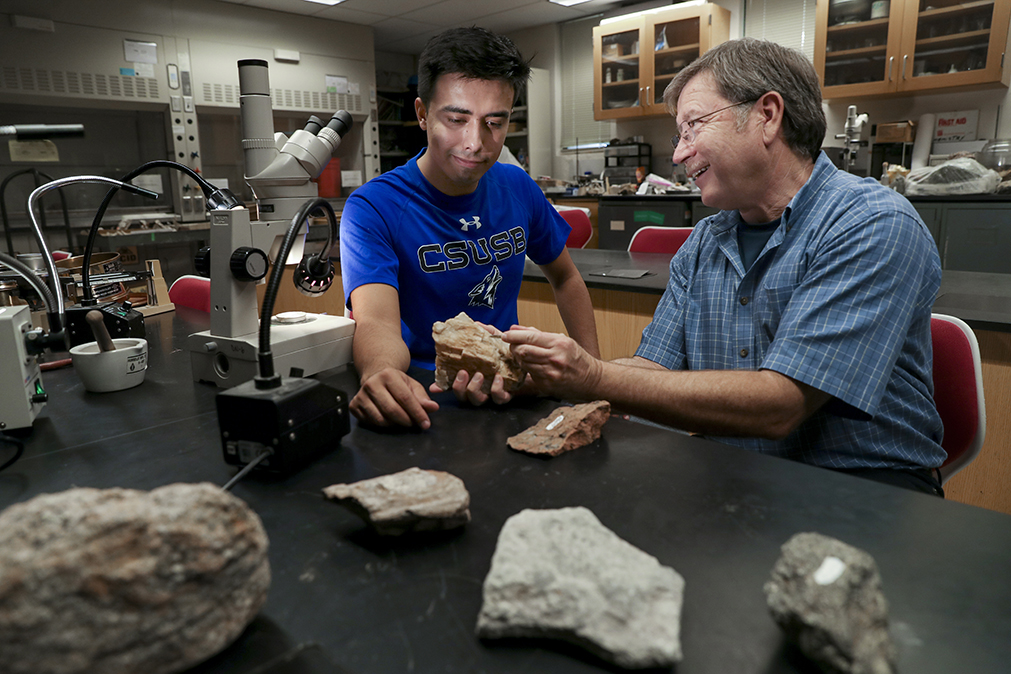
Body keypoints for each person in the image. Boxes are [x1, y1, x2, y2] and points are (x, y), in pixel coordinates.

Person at [504, 38, 946, 496]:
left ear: (767, 115)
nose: (677, 155)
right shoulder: (703, 243)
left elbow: (781, 406)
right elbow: (653, 368)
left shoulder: (871, 223)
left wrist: (593, 376)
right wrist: (545, 378)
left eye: (693, 126)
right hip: (732, 473)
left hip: (865, 485)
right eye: (679, 136)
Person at [339, 26, 599, 430]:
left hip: (509, 387)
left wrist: (591, 375)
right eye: (457, 119)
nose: (475, 141)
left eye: (494, 123)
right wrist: (380, 373)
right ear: (423, 114)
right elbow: (375, 320)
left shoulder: (517, 187)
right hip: (422, 393)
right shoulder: (374, 207)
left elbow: (565, 277)